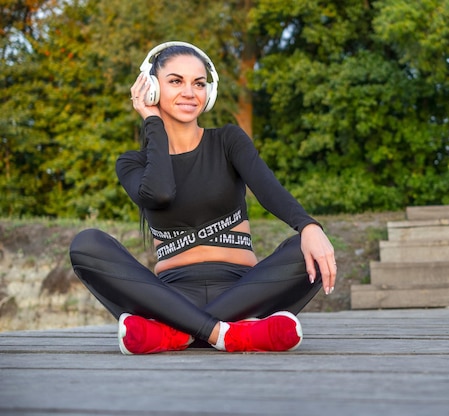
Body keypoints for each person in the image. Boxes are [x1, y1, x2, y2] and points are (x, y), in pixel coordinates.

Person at [69, 41, 336, 355]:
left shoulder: (228, 140)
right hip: (170, 296)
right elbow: (160, 192)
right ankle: (232, 333)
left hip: (245, 289)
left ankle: (175, 333)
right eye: (175, 81)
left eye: (199, 83)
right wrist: (151, 120)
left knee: (311, 248)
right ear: (151, 88)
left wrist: (308, 226)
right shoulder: (131, 163)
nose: (189, 92)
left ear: (209, 92)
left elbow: (269, 190)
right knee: (86, 245)